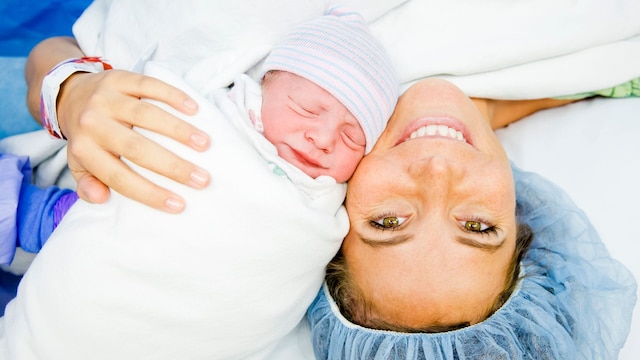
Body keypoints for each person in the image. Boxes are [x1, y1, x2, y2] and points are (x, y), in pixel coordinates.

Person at [2, 6, 397, 260]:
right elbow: (48, 58)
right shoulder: (217, 101)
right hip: (80, 166)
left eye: (353, 138)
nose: (325, 139)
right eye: (306, 109)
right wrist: (69, 91)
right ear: (258, 91)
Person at [305, 78, 637, 359]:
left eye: (388, 222)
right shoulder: (611, 73)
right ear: (521, 216)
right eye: (476, 226)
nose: (437, 171)